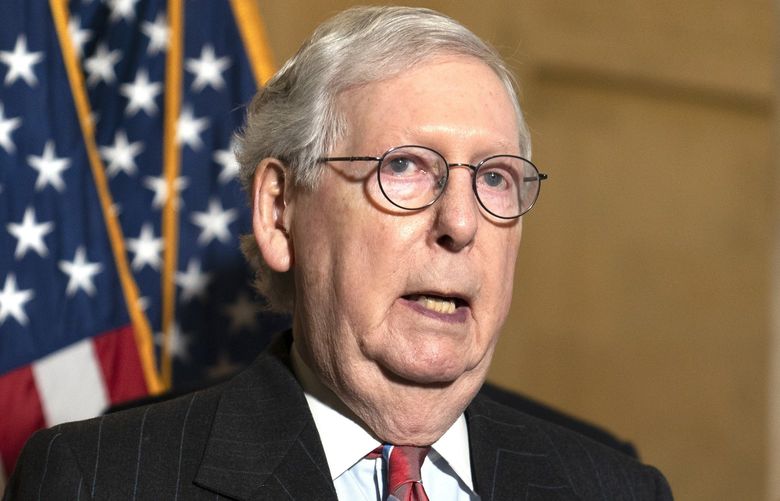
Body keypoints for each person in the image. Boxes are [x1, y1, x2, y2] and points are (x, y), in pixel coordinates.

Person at [5, 6, 672, 500]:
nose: (461, 222)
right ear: (278, 210)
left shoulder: (614, 486)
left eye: (494, 176)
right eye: (406, 166)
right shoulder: (103, 479)